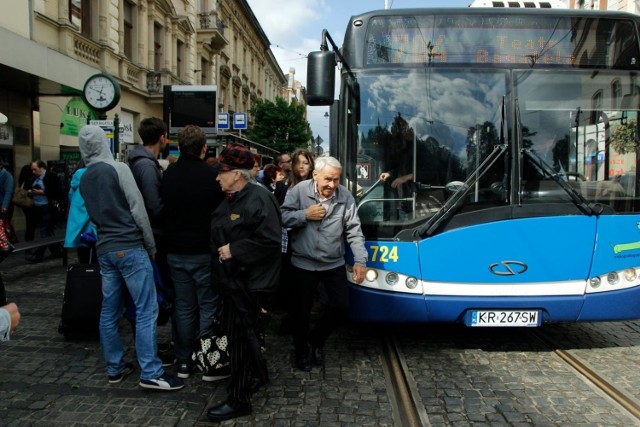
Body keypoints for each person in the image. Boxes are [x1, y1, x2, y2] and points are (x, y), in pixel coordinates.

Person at [78, 124, 183, 391]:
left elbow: (91, 215)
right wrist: (150, 246)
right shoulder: (119, 169)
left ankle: (114, 367)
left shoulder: (85, 176)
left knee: (109, 311)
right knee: (147, 309)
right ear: (104, 143)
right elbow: (138, 210)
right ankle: (151, 371)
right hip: (130, 246)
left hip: (105, 249)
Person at [206, 144, 281, 422]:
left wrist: (234, 250)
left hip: (250, 283)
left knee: (239, 338)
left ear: (237, 174)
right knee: (244, 334)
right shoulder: (236, 196)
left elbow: (271, 242)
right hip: (234, 281)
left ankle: (239, 399)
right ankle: (254, 377)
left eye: (222, 172)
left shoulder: (258, 198)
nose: (217, 177)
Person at [280, 155, 367, 372]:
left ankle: (315, 341)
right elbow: (282, 217)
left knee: (341, 306)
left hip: (332, 263)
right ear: (315, 175)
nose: (332, 185)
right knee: (300, 312)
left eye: (336, 180)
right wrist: (304, 215)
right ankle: (300, 352)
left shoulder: (345, 196)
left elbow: (354, 231)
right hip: (303, 263)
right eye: (328, 179)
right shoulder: (300, 191)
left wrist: (360, 260)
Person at [161, 124, 225, 380]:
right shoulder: (211, 176)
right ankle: (206, 356)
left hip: (175, 250)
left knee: (184, 306)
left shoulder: (169, 174)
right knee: (208, 305)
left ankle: (184, 360)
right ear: (203, 148)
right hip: (202, 250)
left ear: (178, 146)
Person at [129, 117, 175, 365]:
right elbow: (153, 206)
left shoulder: (142, 162)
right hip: (152, 237)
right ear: (162, 138)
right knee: (151, 297)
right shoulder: (146, 167)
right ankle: (149, 352)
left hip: (148, 235)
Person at [273, 148, 315, 334]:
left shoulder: (315, 186)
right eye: (298, 163)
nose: (301, 167)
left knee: (304, 286)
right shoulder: (284, 186)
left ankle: (300, 320)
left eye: (305, 163)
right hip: (286, 242)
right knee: (290, 284)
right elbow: (278, 214)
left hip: (307, 241)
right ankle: (291, 318)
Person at [26, 160, 63, 263]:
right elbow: (28, 189)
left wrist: (42, 192)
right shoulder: (34, 178)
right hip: (37, 207)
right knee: (48, 231)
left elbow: (57, 191)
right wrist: (31, 192)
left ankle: (37, 255)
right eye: (32, 170)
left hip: (48, 207)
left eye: (35, 169)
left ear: (41, 168)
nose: (33, 172)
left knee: (44, 231)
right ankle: (57, 252)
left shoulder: (51, 177)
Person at [63, 161, 97, 264]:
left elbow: (70, 196)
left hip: (79, 219)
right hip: (94, 219)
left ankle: (85, 274)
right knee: (96, 252)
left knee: (83, 250)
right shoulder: (96, 174)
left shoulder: (77, 177)